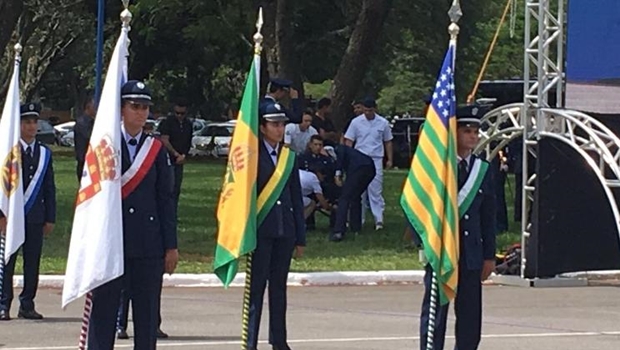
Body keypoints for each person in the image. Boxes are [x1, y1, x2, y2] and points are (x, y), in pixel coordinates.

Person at [87, 80, 178, 350]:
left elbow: (165, 200)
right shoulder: (105, 147)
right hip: (111, 243)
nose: (140, 112)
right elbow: (90, 195)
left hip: (148, 244)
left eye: (145, 107)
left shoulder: (157, 150)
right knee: (103, 314)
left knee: (147, 317)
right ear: (121, 108)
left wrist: (170, 245)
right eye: (134, 106)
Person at [419, 110, 496, 350]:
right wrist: (424, 243)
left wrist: (489, 255)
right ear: (454, 134)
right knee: (435, 315)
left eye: (475, 132)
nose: (473, 137)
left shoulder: (482, 169)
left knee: (470, 315)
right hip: (442, 251)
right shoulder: (439, 168)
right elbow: (421, 204)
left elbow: (488, 216)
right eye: (467, 131)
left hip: (471, 254)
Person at [246, 101, 306, 350]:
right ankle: (249, 340)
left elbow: (295, 195)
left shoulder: (288, 156)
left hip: (285, 231)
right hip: (261, 231)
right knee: (256, 289)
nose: (279, 129)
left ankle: (279, 340)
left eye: (282, 124)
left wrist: (300, 236)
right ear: (262, 127)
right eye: (274, 124)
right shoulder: (252, 155)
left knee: (279, 289)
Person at [0, 103, 56, 321]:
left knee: (32, 262)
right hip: (12, 216)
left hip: (35, 216)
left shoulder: (44, 153)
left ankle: (27, 304)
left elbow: (49, 187)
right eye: (26, 122)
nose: (32, 126)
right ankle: (3, 303)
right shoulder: (9, 152)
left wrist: (50, 216)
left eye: (34, 122)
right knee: (7, 260)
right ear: (19, 124)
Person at [344, 98, 393, 230]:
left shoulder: (383, 123)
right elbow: (349, 140)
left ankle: (379, 219)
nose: (367, 113)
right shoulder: (356, 122)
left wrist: (389, 159)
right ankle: (359, 219)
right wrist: (349, 157)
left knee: (375, 189)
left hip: (376, 157)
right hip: (360, 157)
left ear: (375, 109)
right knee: (359, 190)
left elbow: (387, 141)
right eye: (365, 110)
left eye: (370, 110)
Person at [322, 134, 375, 242]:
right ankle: (356, 227)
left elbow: (339, 161)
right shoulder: (348, 152)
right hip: (370, 168)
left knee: (344, 199)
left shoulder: (339, 149)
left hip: (358, 169)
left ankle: (339, 231)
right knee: (355, 197)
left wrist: (337, 175)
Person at [159, 98, 193, 215]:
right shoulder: (167, 122)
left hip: (180, 160)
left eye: (182, 114)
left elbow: (188, 141)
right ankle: (166, 213)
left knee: (176, 189)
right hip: (168, 159)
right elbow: (164, 140)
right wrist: (175, 154)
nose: (179, 116)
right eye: (177, 113)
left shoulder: (188, 124)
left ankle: (173, 213)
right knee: (168, 188)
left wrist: (183, 155)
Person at [74, 94, 97, 180]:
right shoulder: (82, 123)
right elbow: (82, 149)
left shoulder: (94, 122)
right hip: (86, 166)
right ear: (88, 105)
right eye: (94, 103)